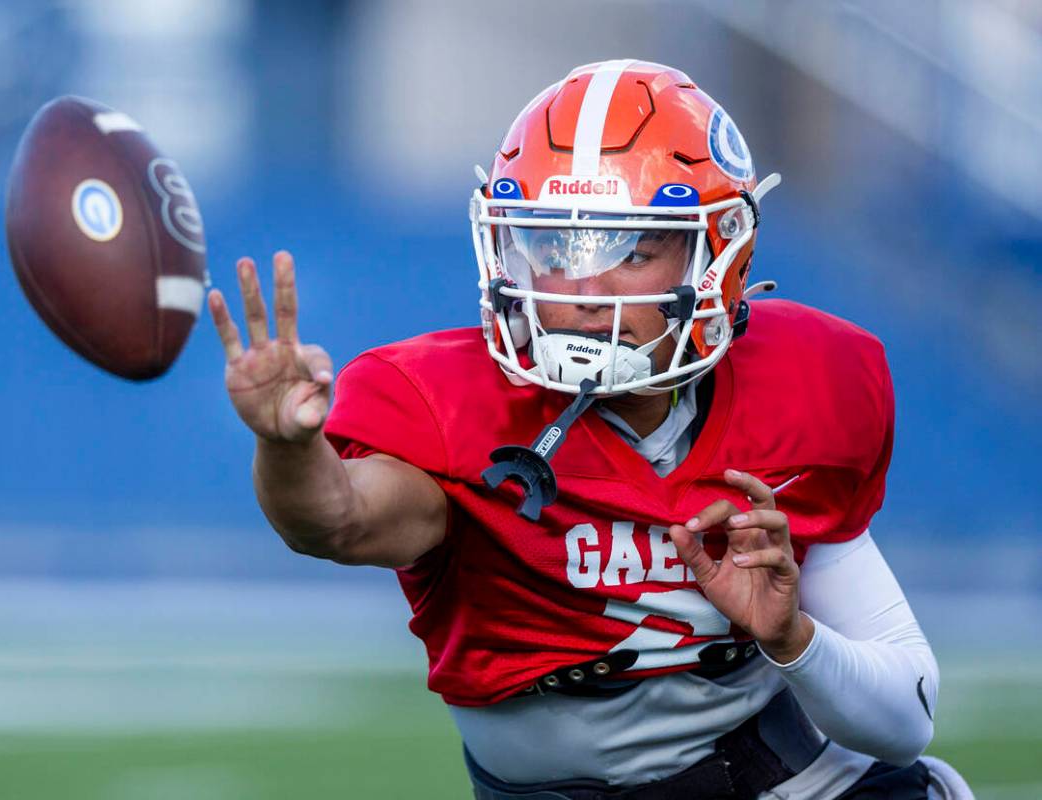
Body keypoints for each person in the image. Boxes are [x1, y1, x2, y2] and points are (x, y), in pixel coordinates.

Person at [208, 60, 973, 799]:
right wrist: (286, 444)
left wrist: (792, 638)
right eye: (551, 248)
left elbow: (903, 719)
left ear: (719, 254)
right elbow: (336, 520)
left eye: (631, 250)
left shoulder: (804, 380)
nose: (579, 290)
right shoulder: (451, 401)